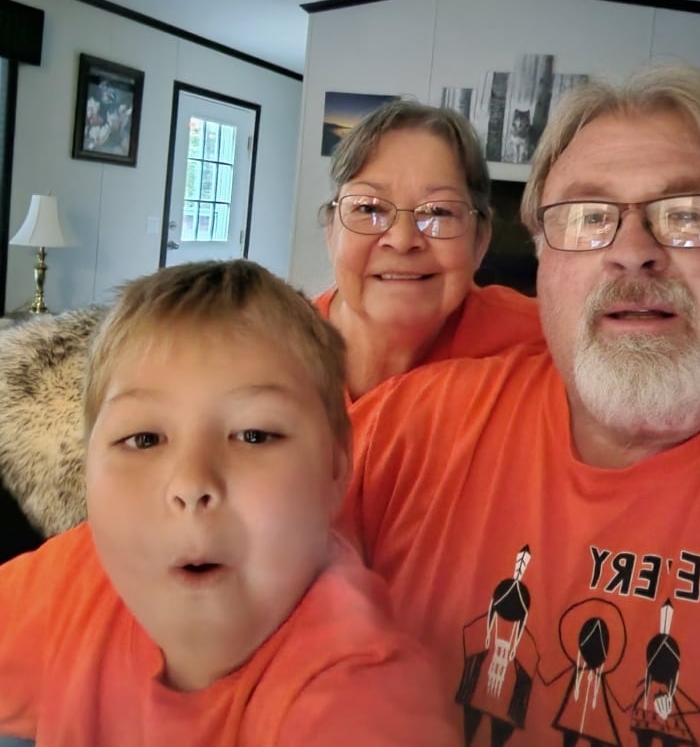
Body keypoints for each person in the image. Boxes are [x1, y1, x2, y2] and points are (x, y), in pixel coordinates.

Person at [345, 62, 700, 746]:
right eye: (587, 218)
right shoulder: (416, 426)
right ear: (544, 263)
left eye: (690, 216)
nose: (632, 253)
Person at [0, 260, 458, 747]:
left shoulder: (362, 700)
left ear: (336, 466)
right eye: (145, 438)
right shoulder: (82, 574)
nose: (192, 481)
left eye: (254, 435)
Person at [317, 99, 544, 399]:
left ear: (480, 241)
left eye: (438, 211)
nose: (401, 240)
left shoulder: (546, 341)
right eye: (368, 207)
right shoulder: (272, 348)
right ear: (331, 231)